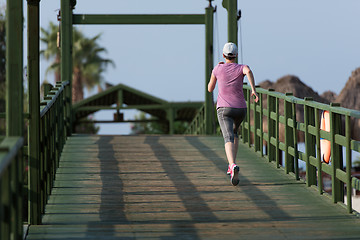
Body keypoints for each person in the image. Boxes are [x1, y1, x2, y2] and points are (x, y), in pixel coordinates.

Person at [208, 42, 259, 186]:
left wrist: (217, 71)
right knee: (235, 133)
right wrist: (253, 90)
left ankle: (232, 165)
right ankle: (233, 164)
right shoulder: (241, 67)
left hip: (224, 109)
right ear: (236, 55)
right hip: (241, 109)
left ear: (224, 55)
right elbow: (248, 70)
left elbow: (210, 89)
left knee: (228, 136)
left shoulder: (218, 68)